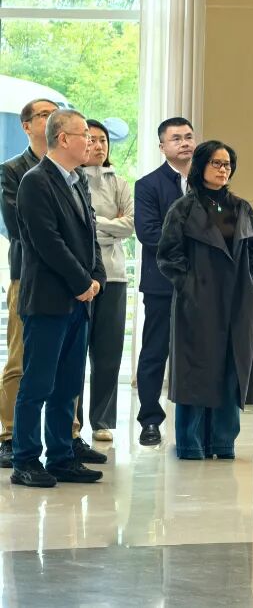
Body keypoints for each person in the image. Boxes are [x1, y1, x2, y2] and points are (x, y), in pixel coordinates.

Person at [9, 109, 106, 487]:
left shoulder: (78, 181)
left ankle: (62, 457)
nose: (91, 142)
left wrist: (96, 278)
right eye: (85, 135)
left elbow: (90, 235)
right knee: (37, 384)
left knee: (68, 386)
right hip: (49, 300)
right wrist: (81, 282)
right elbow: (47, 241)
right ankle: (25, 460)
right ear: (63, 139)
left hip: (79, 301)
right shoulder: (35, 181)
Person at [156, 141, 253, 460]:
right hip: (199, 299)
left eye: (227, 164)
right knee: (196, 370)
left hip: (238, 300)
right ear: (201, 166)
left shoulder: (242, 207)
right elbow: (168, 254)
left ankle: (223, 442)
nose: (223, 169)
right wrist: (188, 284)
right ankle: (190, 443)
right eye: (216, 163)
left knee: (232, 369)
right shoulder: (183, 208)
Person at [0, 97, 59, 469]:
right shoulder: (12, 170)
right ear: (26, 126)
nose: (51, 119)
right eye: (44, 115)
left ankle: (68, 435)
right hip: (27, 275)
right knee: (20, 358)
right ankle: (9, 435)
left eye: (56, 114)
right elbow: (17, 224)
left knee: (66, 360)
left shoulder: (70, 169)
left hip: (67, 279)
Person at [134, 117, 195, 446]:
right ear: (162, 147)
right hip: (162, 283)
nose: (184, 143)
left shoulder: (207, 182)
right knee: (155, 352)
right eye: (176, 138)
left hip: (202, 285)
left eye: (188, 137)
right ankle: (150, 420)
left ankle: (194, 421)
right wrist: (193, 242)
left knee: (198, 352)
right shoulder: (148, 185)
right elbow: (149, 233)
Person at [74, 120, 134, 444]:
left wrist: (94, 225)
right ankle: (72, 421)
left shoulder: (120, 183)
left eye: (103, 141)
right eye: (92, 140)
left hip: (114, 276)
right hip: (79, 275)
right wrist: (111, 224)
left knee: (108, 352)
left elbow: (131, 226)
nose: (98, 146)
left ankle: (102, 421)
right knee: (75, 350)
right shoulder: (71, 181)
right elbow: (74, 228)